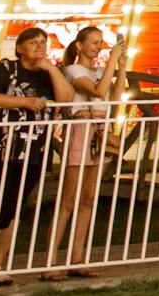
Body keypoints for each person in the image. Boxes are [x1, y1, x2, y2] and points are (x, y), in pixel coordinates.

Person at [0, 27, 76, 285]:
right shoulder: (7, 68)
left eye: (43, 42)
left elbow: (67, 98)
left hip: (35, 149)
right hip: (3, 147)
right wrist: (23, 102)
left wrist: (50, 67)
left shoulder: (48, 74)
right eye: (33, 42)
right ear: (20, 48)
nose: (39, 46)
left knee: (14, 207)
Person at [44, 28, 124, 280]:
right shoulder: (73, 70)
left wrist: (121, 67)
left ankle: (76, 258)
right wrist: (111, 62)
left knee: (88, 198)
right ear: (79, 45)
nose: (98, 47)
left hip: (100, 129)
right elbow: (98, 92)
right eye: (93, 42)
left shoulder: (101, 72)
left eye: (100, 43)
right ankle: (49, 262)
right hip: (81, 127)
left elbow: (116, 96)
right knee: (68, 198)